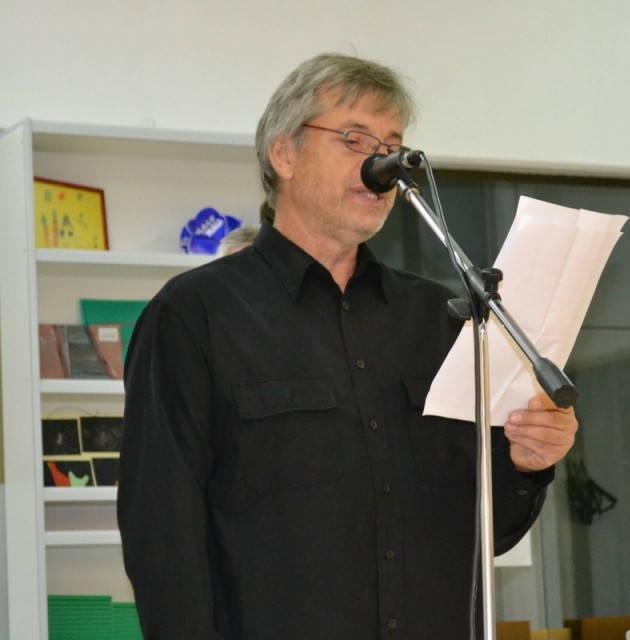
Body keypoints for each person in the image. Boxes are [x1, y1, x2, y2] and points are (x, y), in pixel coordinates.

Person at [117, 52, 578, 640]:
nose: (382, 163)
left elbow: (485, 531)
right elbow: (162, 537)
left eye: (392, 145)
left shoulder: (442, 320)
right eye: (354, 139)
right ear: (284, 154)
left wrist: (526, 464)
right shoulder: (193, 316)